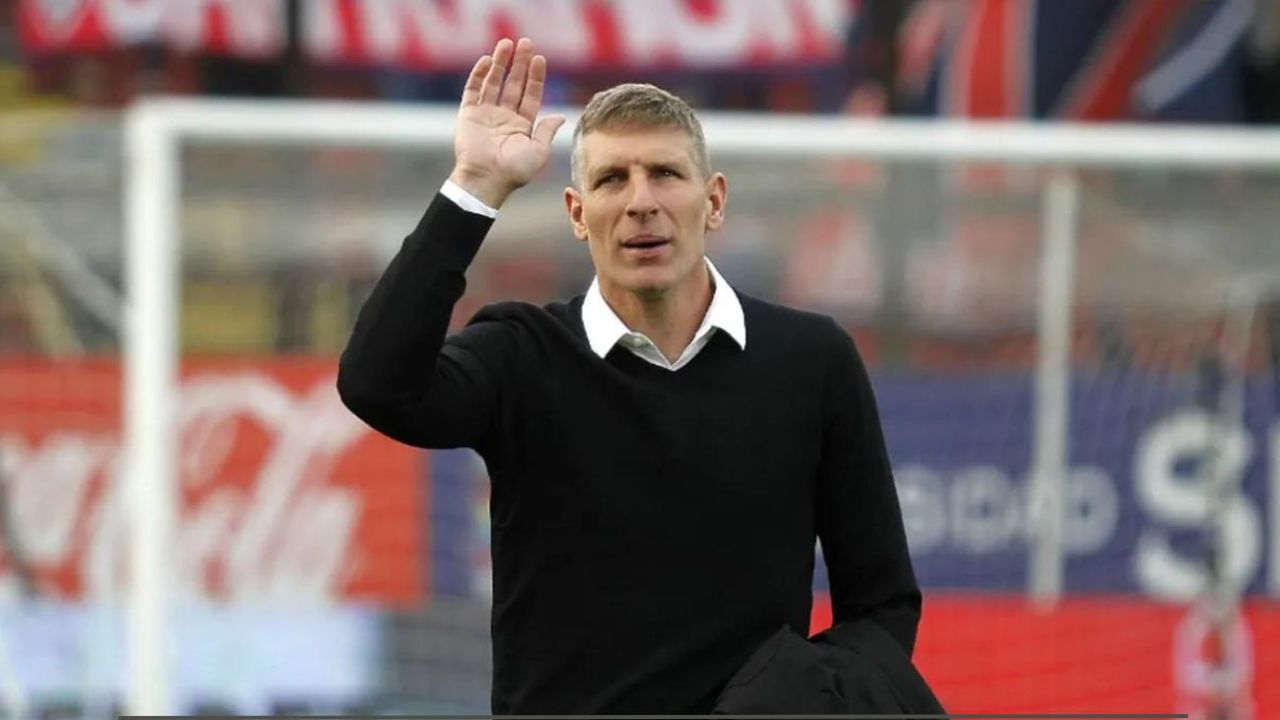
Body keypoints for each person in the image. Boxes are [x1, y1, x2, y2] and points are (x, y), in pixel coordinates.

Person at [338, 37, 922, 714]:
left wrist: (798, 700)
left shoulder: (812, 359)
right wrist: (475, 186)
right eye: (612, 179)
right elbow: (376, 385)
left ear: (715, 201)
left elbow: (881, 605)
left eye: (666, 174)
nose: (641, 201)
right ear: (578, 215)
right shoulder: (521, 354)